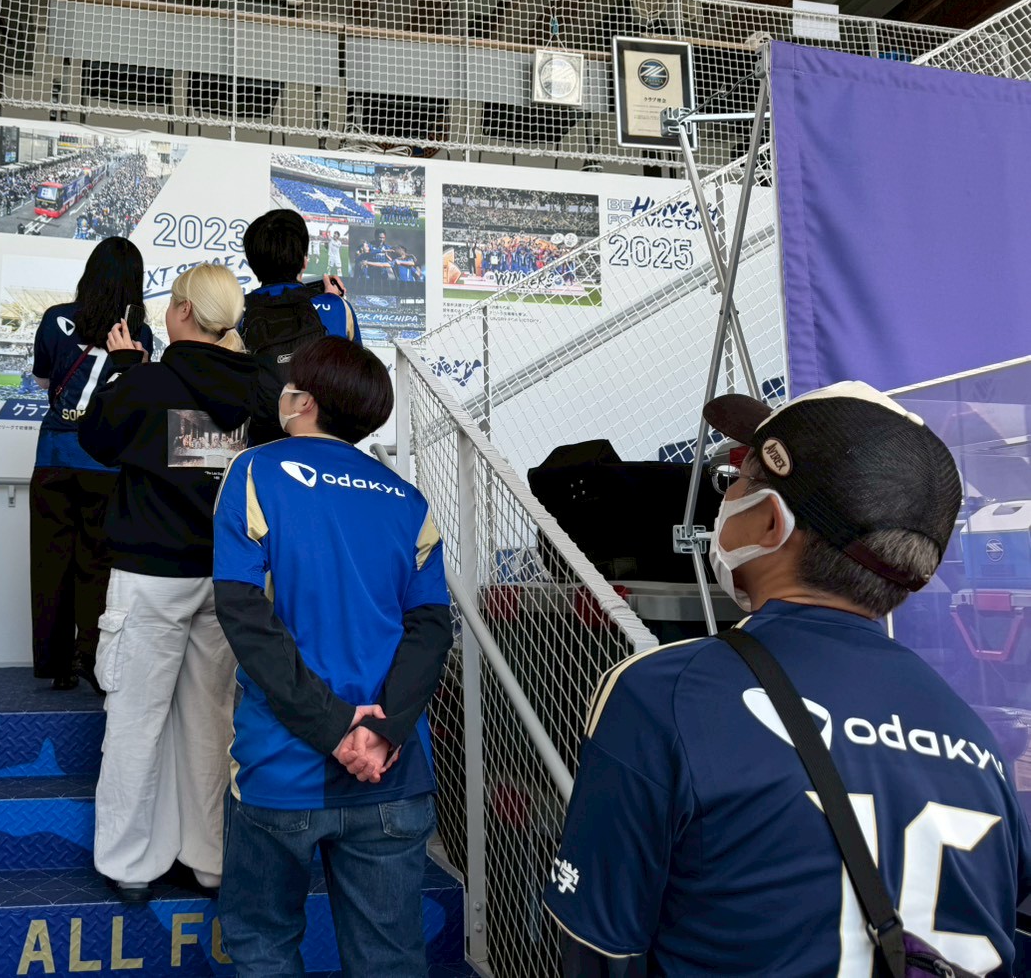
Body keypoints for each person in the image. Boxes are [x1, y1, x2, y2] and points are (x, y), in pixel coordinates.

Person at [544, 381, 1031, 977]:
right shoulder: (977, 739)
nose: (725, 498)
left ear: (770, 522)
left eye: (737, 480)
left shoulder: (664, 694)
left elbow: (601, 954)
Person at [213, 337, 452, 977]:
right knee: (391, 962)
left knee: (263, 947)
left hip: (281, 767)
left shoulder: (255, 471)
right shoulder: (408, 500)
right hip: (391, 770)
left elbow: (243, 612)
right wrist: (381, 730)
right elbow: (431, 629)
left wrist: (334, 728)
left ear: (306, 401)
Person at [78, 262, 280, 903]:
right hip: (227, 577)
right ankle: (211, 859)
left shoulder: (148, 380)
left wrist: (121, 368)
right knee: (211, 721)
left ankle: (131, 864)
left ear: (185, 312)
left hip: (150, 573)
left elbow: (95, 440)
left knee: (135, 717)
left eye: (171, 303)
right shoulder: (260, 387)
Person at [27, 237, 152, 690]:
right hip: (107, 464)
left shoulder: (55, 318)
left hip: (55, 456)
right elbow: (136, 394)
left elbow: (44, 380)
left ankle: (56, 665)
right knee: (99, 565)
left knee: (51, 561)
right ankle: (95, 660)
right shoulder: (140, 333)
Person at [240, 209, 360, 378]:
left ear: (252, 265)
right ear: (304, 262)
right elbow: (360, 376)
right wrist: (331, 301)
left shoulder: (235, 312)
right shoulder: (338, 307)